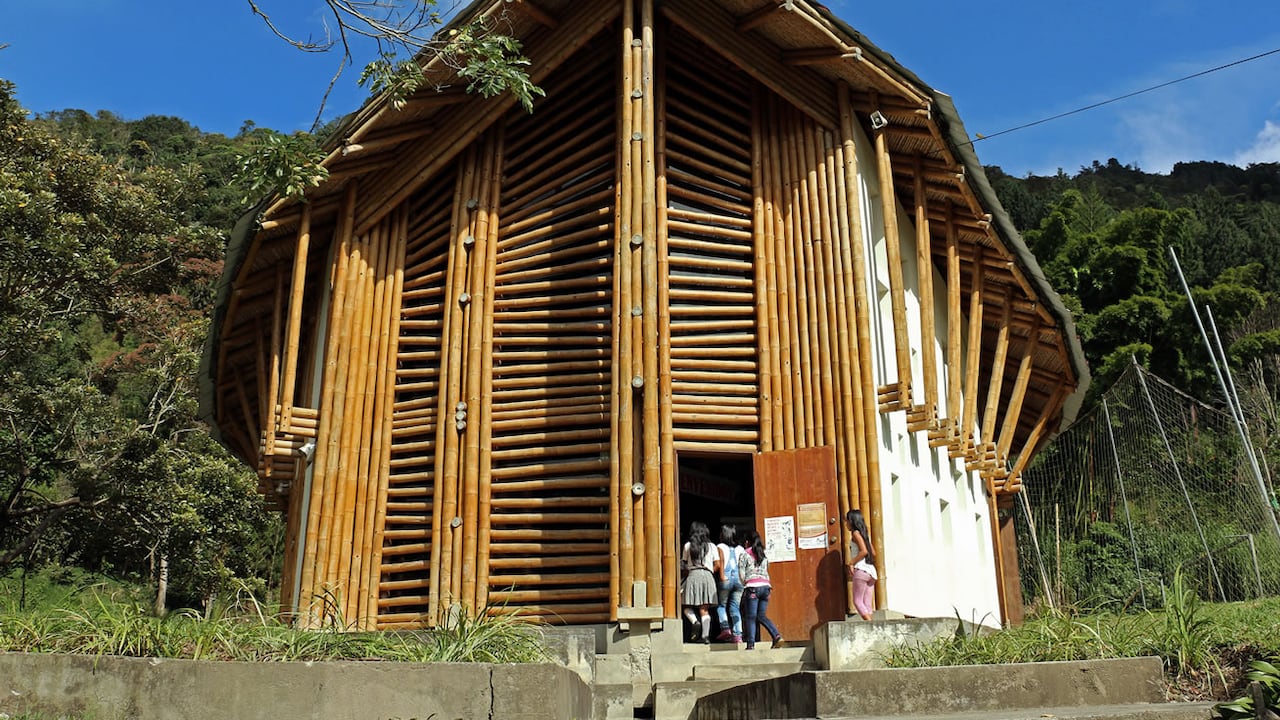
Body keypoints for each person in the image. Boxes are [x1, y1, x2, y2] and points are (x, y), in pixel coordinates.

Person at [737, 528, 782, 650]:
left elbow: (741, 574)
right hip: (766, 587)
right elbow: (766, 569)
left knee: (750, 616)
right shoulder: (764, 554)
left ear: (747, 542)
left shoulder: (744, 554)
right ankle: (776, 635)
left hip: (752, 588)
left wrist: (745, 583)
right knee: (761, 616)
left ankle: (750, 644)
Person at [681, 521, 720, 643]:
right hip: (708, 575)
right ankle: (705, 636)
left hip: (693, 575)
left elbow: (684, 565)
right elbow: (717, 564)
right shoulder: (712, 546)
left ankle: (694, 621)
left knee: (686, 605)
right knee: (704, 609)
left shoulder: (688, 546)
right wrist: (708, 572)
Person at [846, 508, 878, 621]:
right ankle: (872, 626)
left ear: (852, 521)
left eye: (847, 520)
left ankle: (870, 625)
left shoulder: (855, 534)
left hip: (861, 570)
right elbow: (873, 553)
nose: (846, 523)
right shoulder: (864, 535)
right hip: (871, 571)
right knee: (867, 603)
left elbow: (863, 551)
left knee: (857, 601)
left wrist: (851, 563)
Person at [713, 524, 743, 642]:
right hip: (739, 580)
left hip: (726, 578)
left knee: (721, 606)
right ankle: (738, 635)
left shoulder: (720, 546)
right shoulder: (740, 548)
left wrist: (721, 576)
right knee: (735, 607)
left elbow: (721, 561)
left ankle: (725, 628)